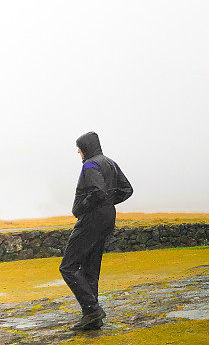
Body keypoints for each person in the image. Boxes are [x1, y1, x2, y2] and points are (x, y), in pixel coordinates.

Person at [59, 132, 133, 331]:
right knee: (91, 269)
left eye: (79, 148)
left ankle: (92, 310)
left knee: (68, 266)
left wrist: (82, 207)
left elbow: (97, 192)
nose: (78, 152)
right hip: (107, 218)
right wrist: (108, 204)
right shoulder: (110, 163)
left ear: (86, 148)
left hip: (92, 220)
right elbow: (127, 190)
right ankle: (93, 319)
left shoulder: (90, 165)